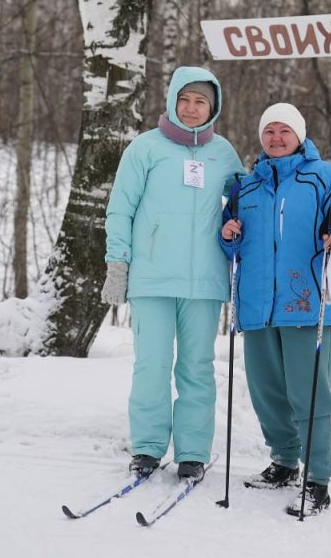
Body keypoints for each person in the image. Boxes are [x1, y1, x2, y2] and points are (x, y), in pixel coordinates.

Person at [219, 102, 331, 516]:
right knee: (267, 393)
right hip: (257, 307)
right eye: (269, 131)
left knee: (309, 396)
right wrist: (227, 232)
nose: (276, 138)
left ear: (300, 135)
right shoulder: (246, 187)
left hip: (306, 305)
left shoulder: (325, 178)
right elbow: (230, 241)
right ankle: (284, 463)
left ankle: (317, 479)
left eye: (285, 131)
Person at [102, 66, 243, 482]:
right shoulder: (146, 148)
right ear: (171, 101)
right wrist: (118, 264)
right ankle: (146, 448)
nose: (192, 108)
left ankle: (193, 452)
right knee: (151, 365)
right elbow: (120, 208)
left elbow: (243, 210)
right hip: (152, 278)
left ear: (213, 106)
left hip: (205, 284)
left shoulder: (224, 154)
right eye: (185, 99)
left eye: (201, 101)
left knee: (197, 368)